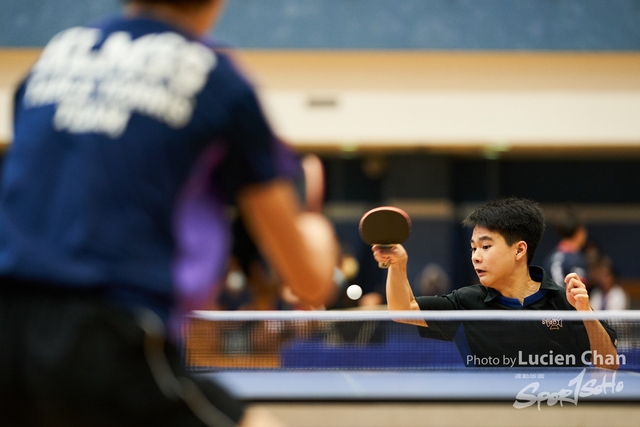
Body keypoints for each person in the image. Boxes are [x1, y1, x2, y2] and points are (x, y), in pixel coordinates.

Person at [0, 0, 339, 426]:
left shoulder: (53, 59)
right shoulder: (217, 81)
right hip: (106, 333)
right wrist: (316, 231)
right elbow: (308, 281)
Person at [373, 198, 619, 370]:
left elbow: (609, 364)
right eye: (473, 248)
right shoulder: (466, 303)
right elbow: (402, 310)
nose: (476, 256)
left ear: (519, 250)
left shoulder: (565, 302)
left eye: (486, 246)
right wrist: (398, 265)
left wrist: (584, 313)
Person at [542, 208, 589, 287]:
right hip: (567, 299)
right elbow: (577, 292)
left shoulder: (550, 258)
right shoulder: (576, 259)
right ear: (579, 232)